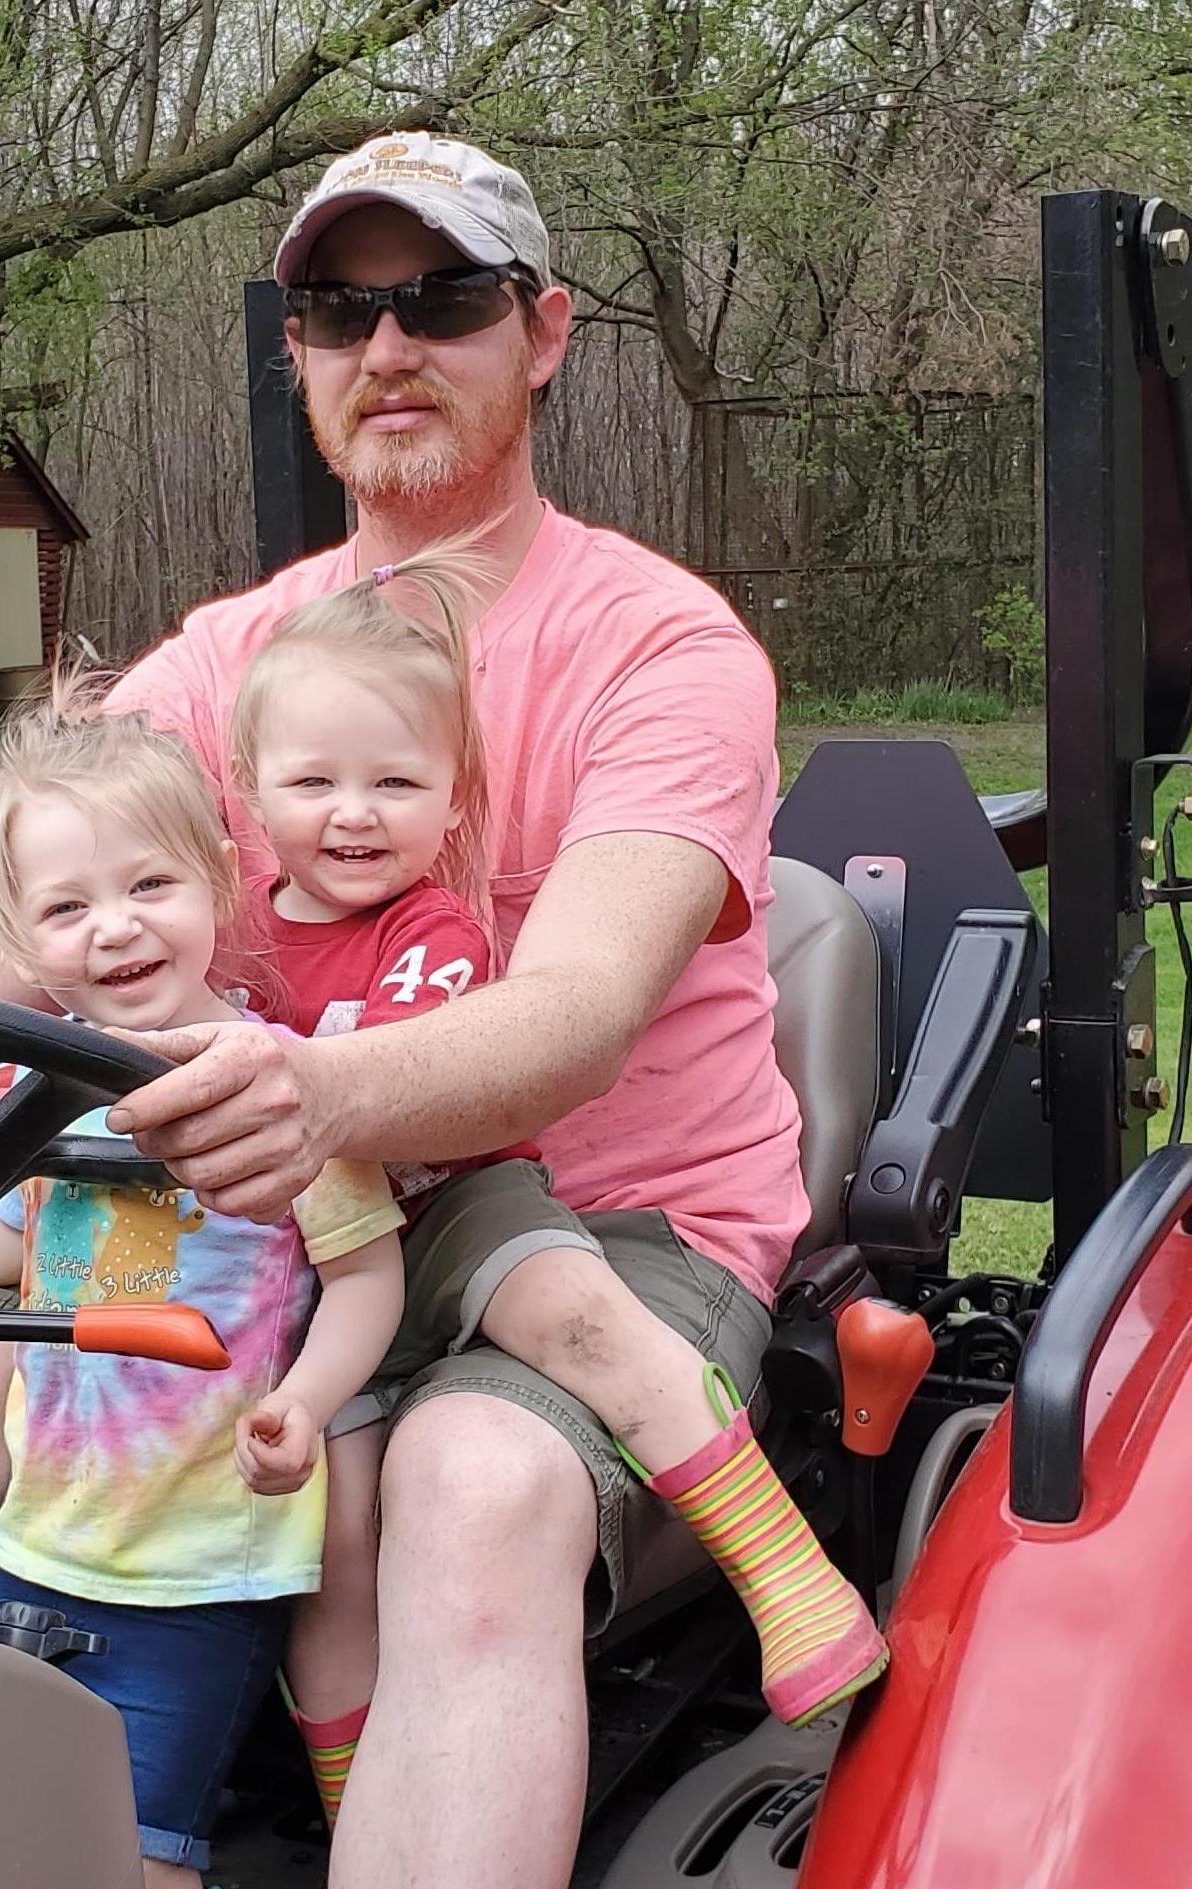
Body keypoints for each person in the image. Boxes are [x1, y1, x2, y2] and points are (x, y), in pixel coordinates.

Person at [0, 132, 823, 1889]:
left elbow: (583, 1012)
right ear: (297, 350)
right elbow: (30, 958)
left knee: (474, 1487)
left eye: (441, 302)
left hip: (588, 1238)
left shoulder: (660, 650)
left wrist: (319, 1095)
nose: (386, 349)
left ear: (543, 333)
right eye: (336, 309)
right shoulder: (232, 661)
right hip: (243, 1234)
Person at [227, 537, 883, 1823]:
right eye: (315, 782)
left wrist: (277, 1077)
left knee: (581, 1319)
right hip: (325, 1263)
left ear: (452, 801)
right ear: (249, 793)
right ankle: (351, 1805)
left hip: (461, 1206)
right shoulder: (238, 945)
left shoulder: (434, 931)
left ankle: (784, 1574)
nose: (355, 814)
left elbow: (416, 1070)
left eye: (395, 784)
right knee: (330, 1546)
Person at [0, 691, 405, 1887]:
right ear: (21, 942)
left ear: (221, 884)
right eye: (68, 907)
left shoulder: (276, 1090)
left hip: (193, 1567)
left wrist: (308, 1397)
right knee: (22, 1839)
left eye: (150, 887)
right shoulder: (42, 1095)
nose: (116, 930)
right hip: (41, 1547)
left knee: (139, 1859)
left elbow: (365, 1278)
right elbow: (28, 1238)